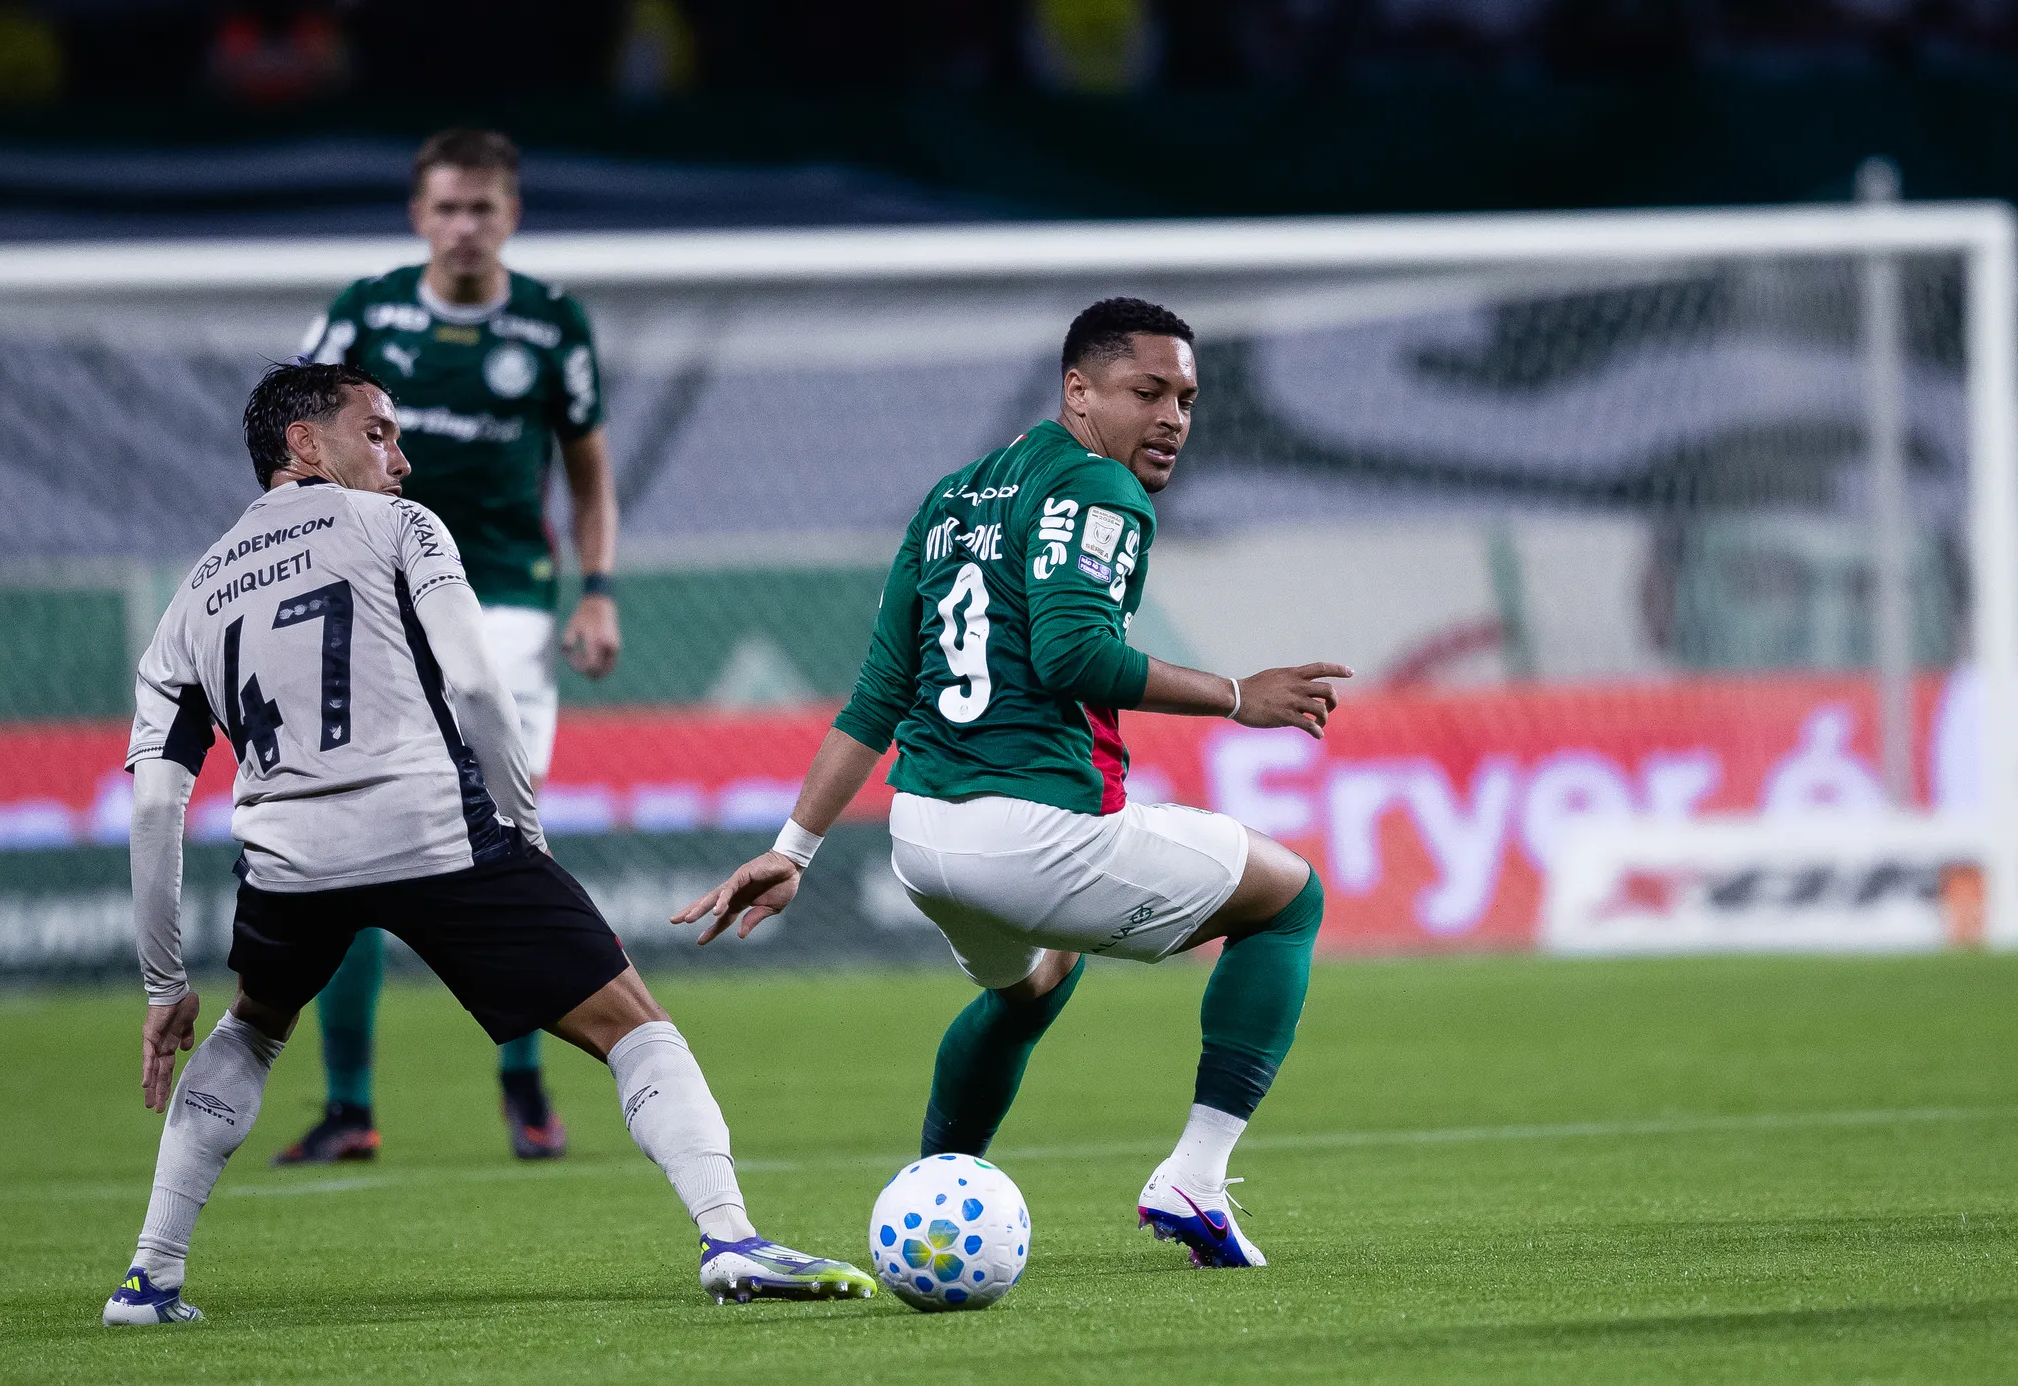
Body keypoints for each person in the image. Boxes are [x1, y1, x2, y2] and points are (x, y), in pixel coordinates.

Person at [103, 363, 872, 1325]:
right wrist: (524, 831)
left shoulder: (191, 601)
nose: (401, 457)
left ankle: (149, 1278)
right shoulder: (401, 528)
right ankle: (731, 1238)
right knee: (633, 1023)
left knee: (253, 1024)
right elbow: (475, 685)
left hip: (287, 860)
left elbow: (154, 806)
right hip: (434, 833)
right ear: (303, 444)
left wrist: (162, 982)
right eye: (377, 433)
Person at [674, 298, 1351, 1271]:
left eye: (1188, 399)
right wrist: (1239, 694)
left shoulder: (952, 496)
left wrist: (794, 851)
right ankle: (1195, 1179)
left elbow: (876, 700)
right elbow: (1074, 653)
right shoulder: (1100, 489)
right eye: (1147, 391)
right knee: (1289, 901)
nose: (1172, 418)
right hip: (1037, 831)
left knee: (1032, 986)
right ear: (1078, 391)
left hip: (925, 837)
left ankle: (928, 1202)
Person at [285, 128, 623, 1163]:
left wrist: (598, 590)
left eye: (483, 207)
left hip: (507, 601)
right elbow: (294, 446)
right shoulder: (366, 312)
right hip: (375, 597)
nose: (465, 225)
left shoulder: (553, 323)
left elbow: (587, 472)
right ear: (417, 215)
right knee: (351, 850)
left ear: (511, 215)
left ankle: (523, 1085)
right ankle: (351, 1107)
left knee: (495, 843)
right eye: (447, 207)